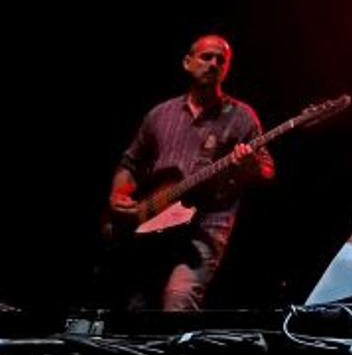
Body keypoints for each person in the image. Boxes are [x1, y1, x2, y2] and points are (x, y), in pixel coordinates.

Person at [107, 35, 275, 310]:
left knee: (178, 300)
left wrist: (250, 164)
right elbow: (129, 163)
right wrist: (120, 194)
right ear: (187, 62)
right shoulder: (160, 114)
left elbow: (267, 169)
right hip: (150, 225)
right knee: (135, 308)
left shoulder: (241, 117)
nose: (213, 63)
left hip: (204, 230)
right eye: (206, 56)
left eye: (221, 60)